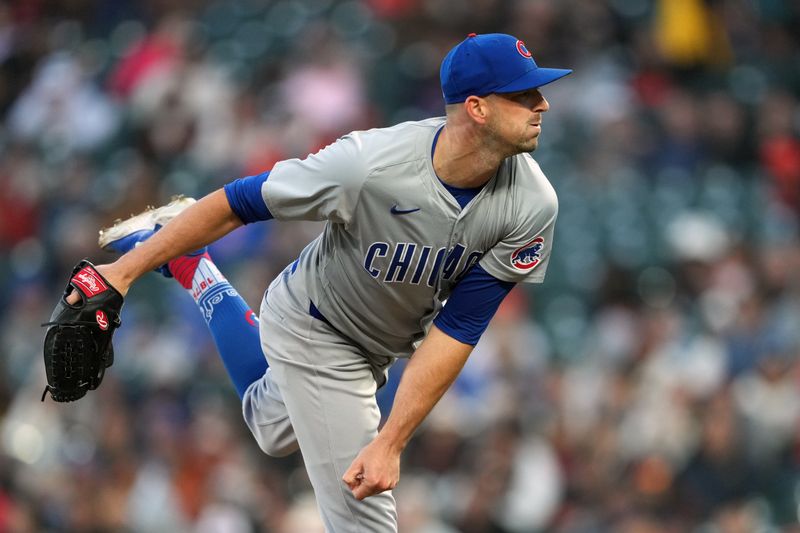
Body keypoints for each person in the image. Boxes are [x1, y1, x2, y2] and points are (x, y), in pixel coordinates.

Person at [71, 33, 571, 532]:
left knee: (270, 428)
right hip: (318, 323)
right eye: (524, 94)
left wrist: (393, 438)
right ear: (478, 108)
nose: (542, 103)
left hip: (379, 344)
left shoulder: (532, 204)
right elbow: (238, 202)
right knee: (365, 520)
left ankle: (195, 267)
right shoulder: (368, 165)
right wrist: (120, 273)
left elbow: (460, 327)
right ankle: (180, 251)